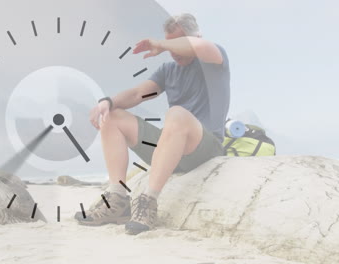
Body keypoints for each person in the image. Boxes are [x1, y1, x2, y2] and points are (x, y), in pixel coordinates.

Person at [76, 13, 230, 235]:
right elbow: (138, 93)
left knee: (176, 114)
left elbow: (200, 47)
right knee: (114, 115)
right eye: (170, 44)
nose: (173, 51)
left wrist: (161, 44)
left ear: (196, 37)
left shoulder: (213, 60)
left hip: (205, 147)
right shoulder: (168, 71)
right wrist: (107, 101)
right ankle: (117, 199)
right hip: (170, 149)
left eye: (178, 43)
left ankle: (148, 202)